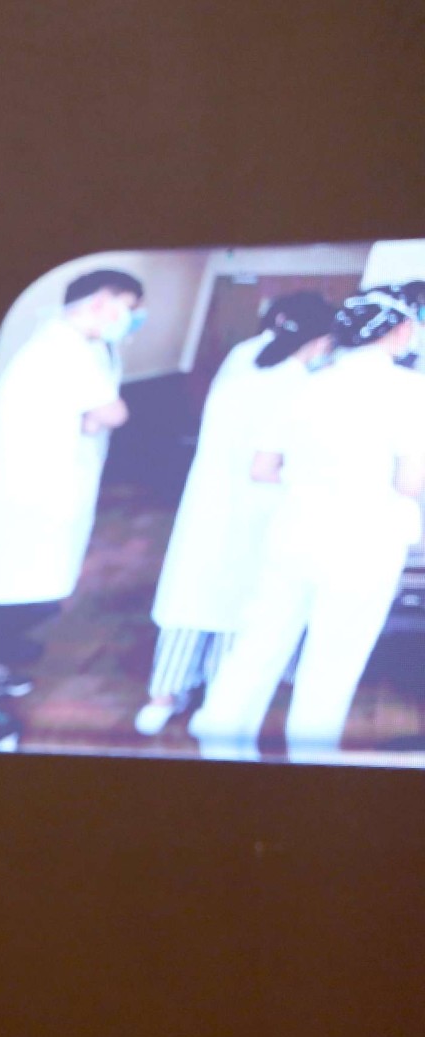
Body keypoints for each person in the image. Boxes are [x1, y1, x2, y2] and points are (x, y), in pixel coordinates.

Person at [189, 287, 425, 755]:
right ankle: (308, 758)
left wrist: (312, 480)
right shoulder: (410, 390)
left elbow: (262, 468)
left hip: (293, 532)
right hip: (365, 541)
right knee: (333, 659)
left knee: (259, 643)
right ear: (401, 331)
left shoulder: (305, 384)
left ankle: (220, 746)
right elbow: (409, 483)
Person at [0, 268, 144, 750]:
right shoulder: (62, 349)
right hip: (31, 498)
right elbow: (114, 413)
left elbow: (97, 415)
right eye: (129, 307)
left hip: (50, 492)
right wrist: (93, 419)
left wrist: (90, 419)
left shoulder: (79, 345)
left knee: (34, 591)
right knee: (0, 597)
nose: (134, 318)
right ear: (100, 303)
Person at [133, 292, 334, 736]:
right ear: (322, 341)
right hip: (260, 510)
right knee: (240, 603)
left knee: (192, 595)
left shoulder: (244, 359)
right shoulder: (301, 386)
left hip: (209, 503)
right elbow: (280, 463)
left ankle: (161, 698)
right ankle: (215, 701)